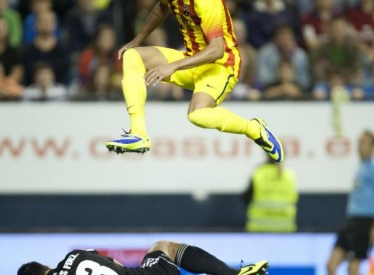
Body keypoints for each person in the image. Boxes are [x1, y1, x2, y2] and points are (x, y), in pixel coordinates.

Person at [104, 0, 285, 163]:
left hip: (221, 66)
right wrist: (137, 40)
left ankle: (254, 129)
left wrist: (173, 66)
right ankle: (138, 133)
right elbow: (161, 7)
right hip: (192, 59)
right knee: (132, 56)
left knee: (198, 115)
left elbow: (217, 50)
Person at [326, 130, 374, 275]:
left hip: (364, 222)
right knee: (331, 265)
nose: (360, 146)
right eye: (359, 142)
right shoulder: (361, 167)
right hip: (351, 221)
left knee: (353, 268)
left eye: (364, 142)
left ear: (373, 147)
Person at [18, 240, 268, 275]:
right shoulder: (76, 255)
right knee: (163, 246)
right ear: (45, 267)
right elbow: (114, 264)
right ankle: (234, 274)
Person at [243, 156, 298, 232]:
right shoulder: (289, 175)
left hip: (259, 229)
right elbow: (294, 199)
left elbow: (246, 199)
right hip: (284, 230)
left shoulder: (259, 173)